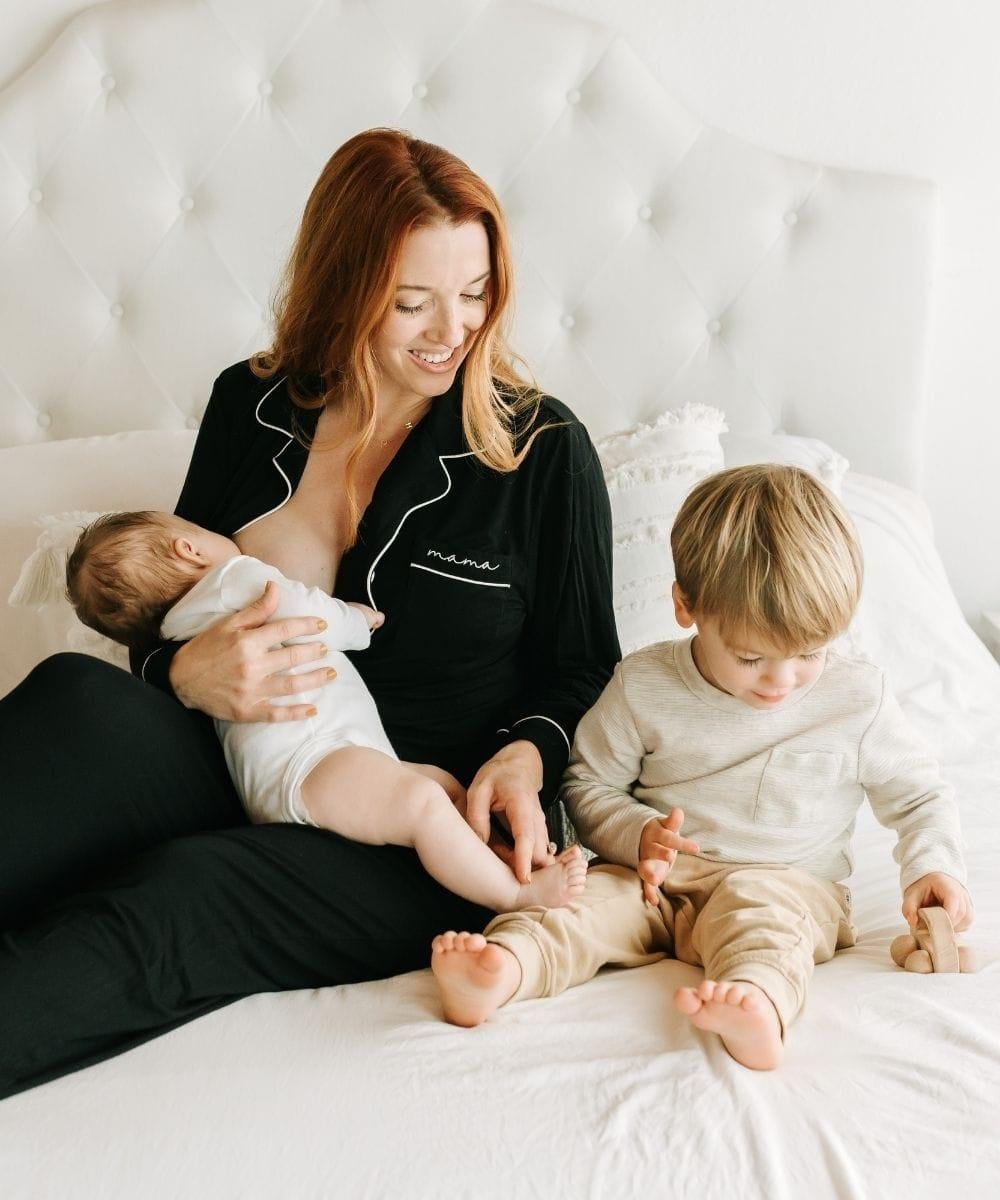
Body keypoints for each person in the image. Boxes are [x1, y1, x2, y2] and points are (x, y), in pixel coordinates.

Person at [0, 127, 619, 1099]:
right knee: (76, 695)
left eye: (474, 293)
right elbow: (169, 603)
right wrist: (180, 671)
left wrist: (527, 751)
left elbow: (582, 665)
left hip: (411, 822)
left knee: (184, 891)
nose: (451, 329)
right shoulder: (249, 406)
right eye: (411, 301)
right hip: (237, 753)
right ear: (346, 284)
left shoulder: (541, 450)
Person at [431, 464, 973, 1071]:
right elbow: (585, 782)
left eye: (809, 654)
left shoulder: (856, 698)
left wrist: (933, 866)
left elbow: (920, 795)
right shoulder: (643, 684)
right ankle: (503, 969)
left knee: (767, 926)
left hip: (786, 883)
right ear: (685, 607)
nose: (782, 680)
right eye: (750, 657)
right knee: (577, 905)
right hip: (653, 881)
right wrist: (638, 834)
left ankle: (758, 1005)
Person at [64, 511, 586, 912]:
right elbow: (304, 608)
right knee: (425, 802)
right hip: (314, 762)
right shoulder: (230, 580)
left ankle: (507, 862)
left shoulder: (180, 632)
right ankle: (516, 896)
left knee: (445, 789)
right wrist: (355, 621)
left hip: (294, 774)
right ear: (189, 547)